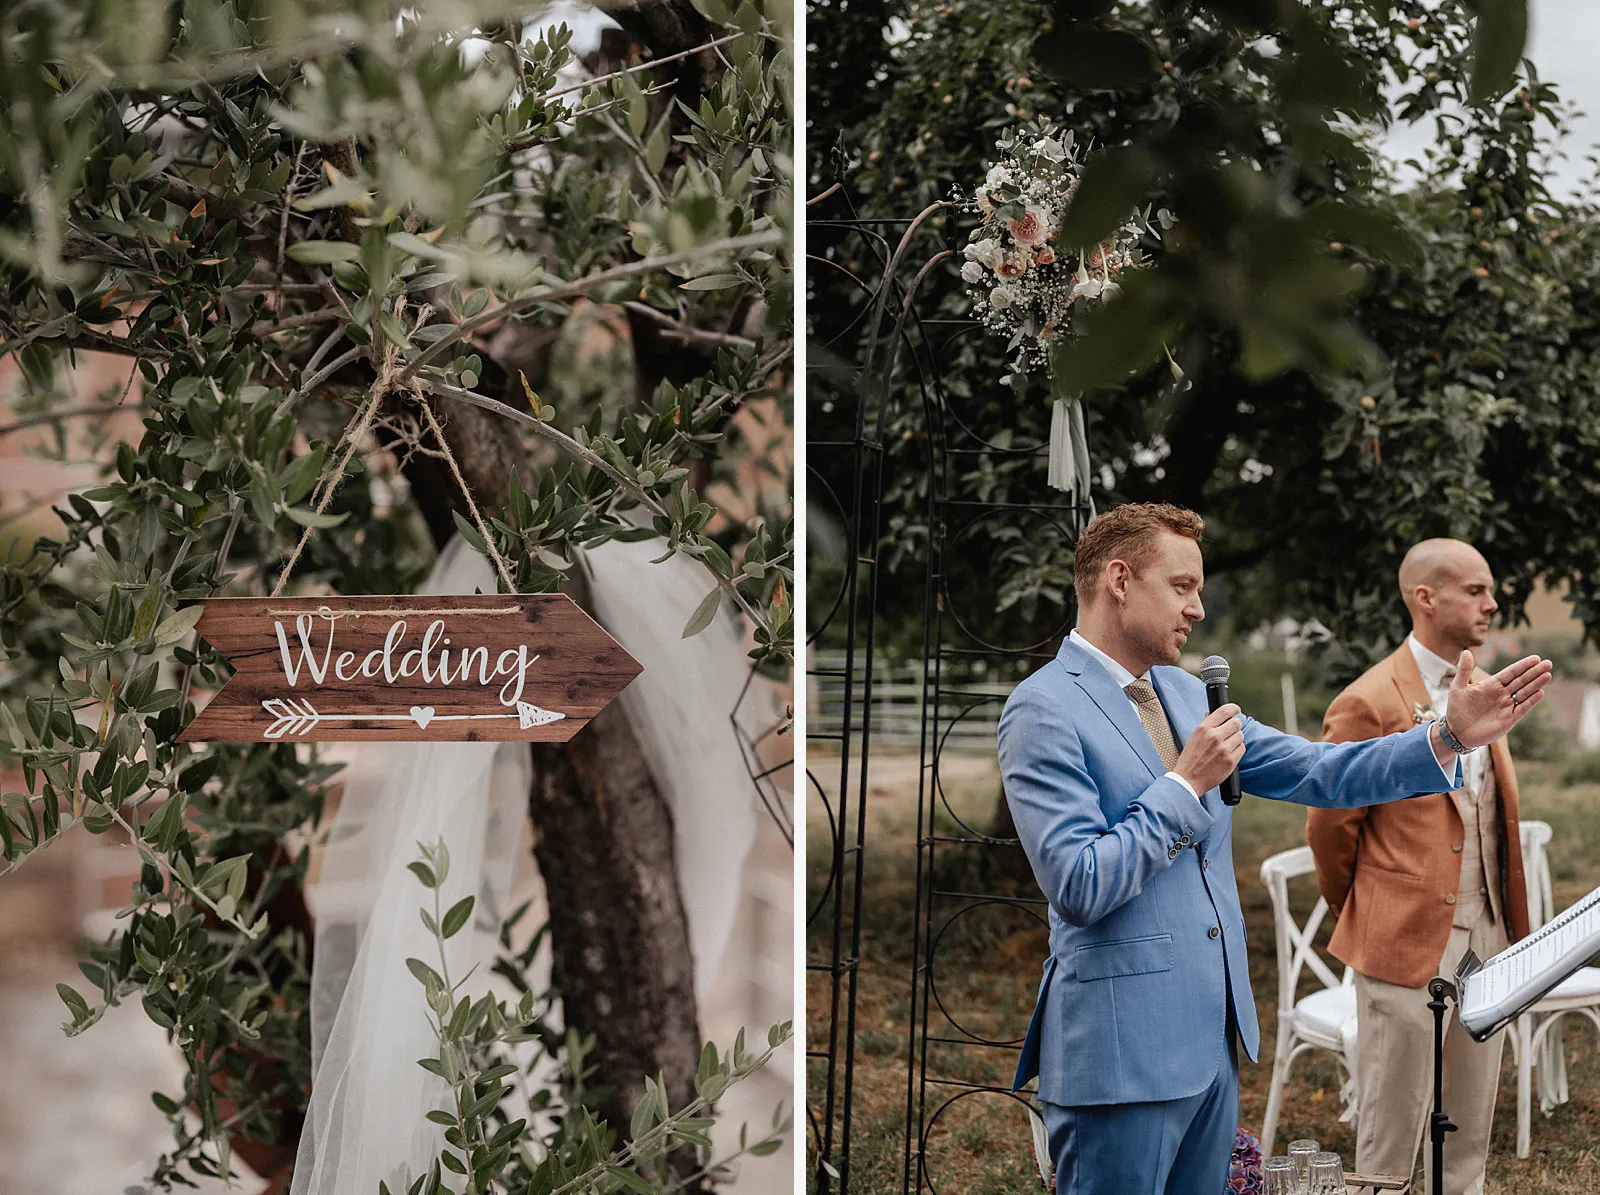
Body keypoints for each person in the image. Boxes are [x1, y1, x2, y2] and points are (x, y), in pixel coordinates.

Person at [996, 504, 1551, 1195]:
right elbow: (1078, 883)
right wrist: (1184, 782)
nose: (1198, 608)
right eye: (1182, 586)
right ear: (1118, 579)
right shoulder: (1042, 707)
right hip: (1118, 1056)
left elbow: (1324, 769)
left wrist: (1448, 737)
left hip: (1211, 1046)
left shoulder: (1185, 692)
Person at [1307, 539, 1530, 1195]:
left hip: (1485, 931)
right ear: (1424, 596)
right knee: (1391, 1128)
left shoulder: (1486, 690)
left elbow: (1488, 809)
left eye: (1491, 590)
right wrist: (1375, 908)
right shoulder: (1370, 699)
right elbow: (1329, 826)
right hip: (1401, 938)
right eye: (1476, 589)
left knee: (1467, 1123)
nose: (1491, 602)